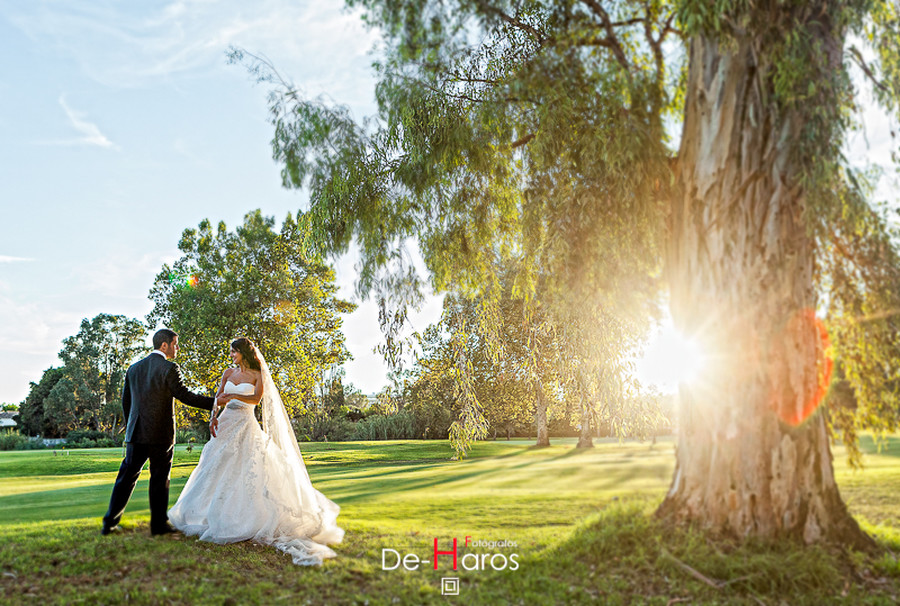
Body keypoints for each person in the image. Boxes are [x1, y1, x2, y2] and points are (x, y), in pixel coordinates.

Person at [167, 337, 343, 566]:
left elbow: (257, 398)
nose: (231, 355)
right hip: (226, 420)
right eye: (230, 352)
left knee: (245, 467)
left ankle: (244, 518)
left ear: (243, 352)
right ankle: (205, 514)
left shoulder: (257, 374)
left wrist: (234, 396)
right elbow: (219, 399)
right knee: (215, 465)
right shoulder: (228, 374)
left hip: (245, 422)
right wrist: (212, 418)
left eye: (234, 351)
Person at [101, 329, 217, 536]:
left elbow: (126, 402)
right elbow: (185, 395)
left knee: (126, 478)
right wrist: (215, 403)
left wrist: (131, 427)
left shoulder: (133, 368)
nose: (177, 348)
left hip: (135, 433)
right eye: (176, 343)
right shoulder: (169, 368)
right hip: (160, 435)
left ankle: (109, 523)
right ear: (165, 345)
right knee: (159, 478)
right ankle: (158, 525)